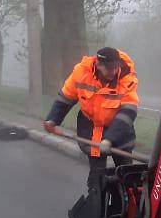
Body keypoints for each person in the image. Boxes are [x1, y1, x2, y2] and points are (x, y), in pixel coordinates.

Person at [44, 47, 138, 188]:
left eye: (115, 67)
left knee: (126, 175)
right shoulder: (81, 73)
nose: (113, 72)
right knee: (97, 177)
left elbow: (128, 111)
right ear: (99, 64)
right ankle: (96, 199)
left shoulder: (127, 78)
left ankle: (127, 201)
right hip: (91, 131)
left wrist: (110, 139)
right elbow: (66, 98)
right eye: (109, 68)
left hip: (120, 132)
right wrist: (52, 119)